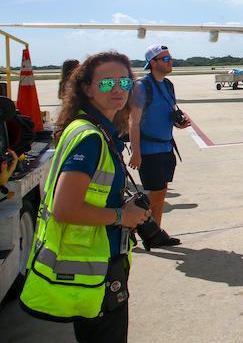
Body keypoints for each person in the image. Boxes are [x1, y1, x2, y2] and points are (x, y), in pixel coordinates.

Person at [19, 51, 150, 342]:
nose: (117, 89)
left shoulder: (85, 126)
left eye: (124, 82)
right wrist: (122, 216)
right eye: (106, 83)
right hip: (94, 270)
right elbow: (65, 208)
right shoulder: (91, 137)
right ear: (88, 88)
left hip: (91, 268)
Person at [128, 45, 190, 246]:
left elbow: (168, 111)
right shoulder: (141, 86)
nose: (170, 62)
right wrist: (136, 152)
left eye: (170, 58)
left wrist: (178, 122)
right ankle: (127, 225)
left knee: (160, 193)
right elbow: (133, 122)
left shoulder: (168, 85)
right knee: (153, 194)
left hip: (166, 147)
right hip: (149, 149)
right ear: (152, 63)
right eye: (165, 59)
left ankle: (155, 234)